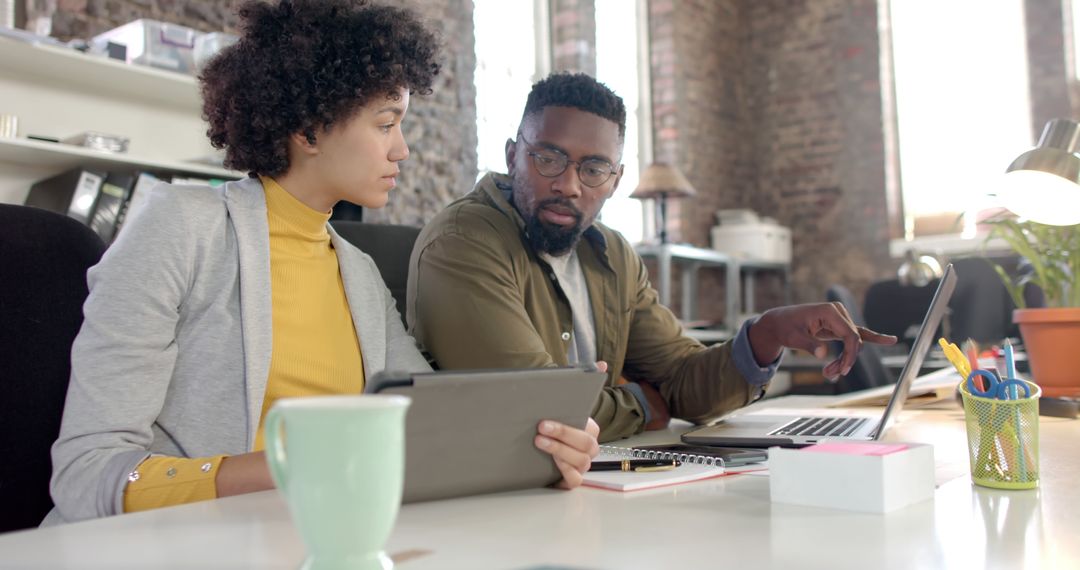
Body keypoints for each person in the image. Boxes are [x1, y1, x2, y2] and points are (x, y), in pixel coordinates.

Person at [46, 0, 597, 525]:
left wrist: (538, 452)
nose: (401, 149)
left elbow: (431, 432)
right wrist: (288, 469)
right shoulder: (181, 230)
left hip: (323, 534)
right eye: (386, 123)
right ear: (309, 129)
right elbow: (87, 472)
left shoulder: (356, 271)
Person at [407, 72, 897, 442]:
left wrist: (766, 334)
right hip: (495, 503)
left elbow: (685, 382)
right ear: (514, 155)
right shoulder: (463, 242)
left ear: (616, 180)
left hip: (591, 484)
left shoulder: (613, 255)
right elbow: (537, 408)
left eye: (593, 168)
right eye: (548, 158)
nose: (569, 185)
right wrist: (643, 403)